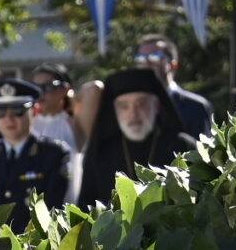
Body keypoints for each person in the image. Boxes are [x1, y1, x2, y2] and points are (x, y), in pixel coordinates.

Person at [0, 79, 72, 230]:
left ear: (34, 111)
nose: (8, 119)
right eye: (0, 112)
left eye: (18, 111)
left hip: (35, 242)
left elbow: (55, 209)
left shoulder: (53, 154)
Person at [77, 66, 190, 206]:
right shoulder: (101, 151)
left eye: (141, 104)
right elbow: (86, 205)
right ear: (115, 110)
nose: (133, 114)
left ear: (156, 106)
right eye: (124, 106)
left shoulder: (182, 146)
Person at [132, 35, 214, 137]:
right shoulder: (131, 107)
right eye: (141, 58)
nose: (147, 64)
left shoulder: (196, 107)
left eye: (155, 57)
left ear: (172, 65)